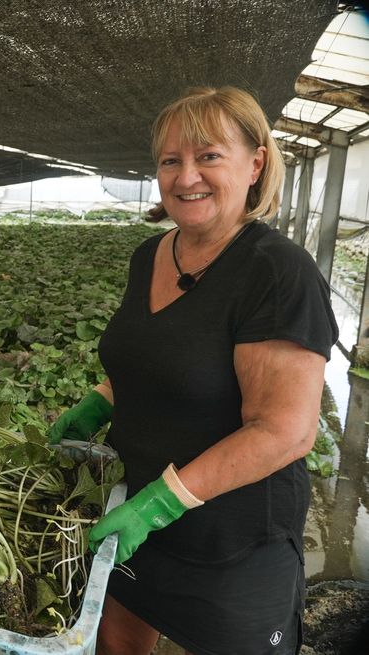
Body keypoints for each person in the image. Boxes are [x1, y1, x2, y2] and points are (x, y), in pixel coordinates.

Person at [48, 86, 337, 655]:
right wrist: (98, 403)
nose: (186, 178)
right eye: (170, 160)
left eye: (208, 156)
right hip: (133, 515)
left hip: (229, 540)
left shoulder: (277, 272)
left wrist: (162, 503)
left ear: (255, 164)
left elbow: (286, 430)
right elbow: (154, 357)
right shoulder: (152, 254)